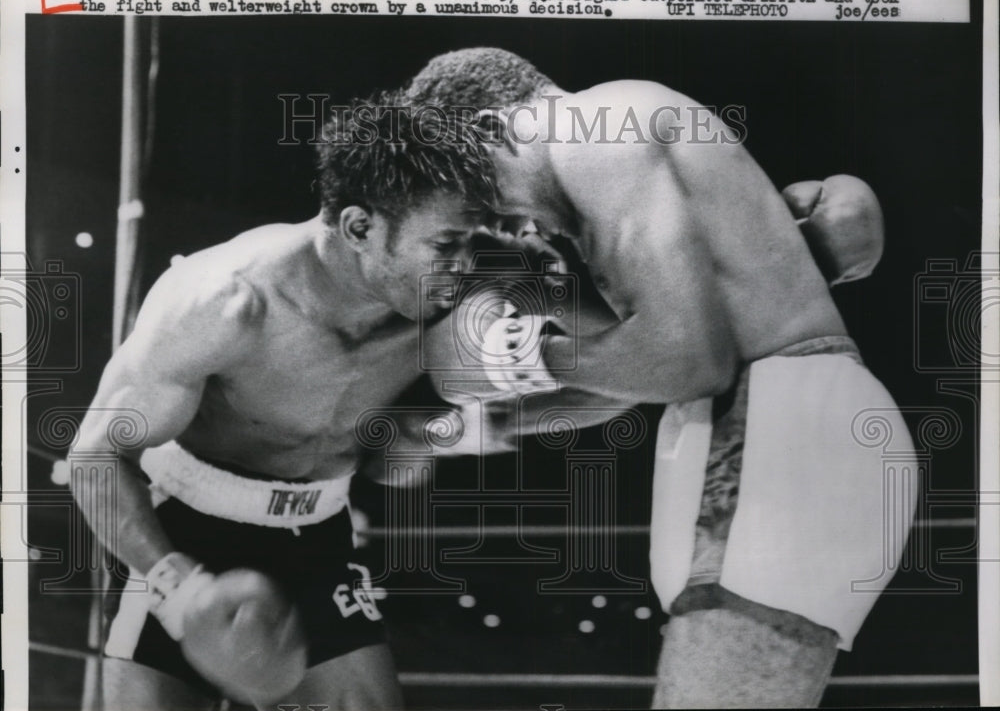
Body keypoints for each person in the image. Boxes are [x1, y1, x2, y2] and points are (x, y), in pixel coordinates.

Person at [406, 48, 916, 708]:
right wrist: (481, 422)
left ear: (487, 129)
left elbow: (687, 361)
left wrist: (518, 358)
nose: (496, 220)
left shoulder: (596, 130)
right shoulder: (605, 183)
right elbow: (637, 377)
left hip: (774, 430)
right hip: (754, 433)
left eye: (479, 193)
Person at [67, 105, 499, 711]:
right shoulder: (227, 303)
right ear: (358, 227)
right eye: (446, 245)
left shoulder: (448, 306)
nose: (465, 264)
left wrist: (448, 429)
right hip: (185, 527)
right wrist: (177, 588)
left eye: (473, 242)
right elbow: (93, 454)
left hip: (319, 531)